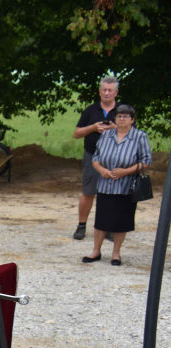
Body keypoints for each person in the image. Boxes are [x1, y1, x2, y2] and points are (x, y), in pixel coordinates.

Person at [83, 104, 151, 266]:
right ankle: (96, 251)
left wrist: (125, 171)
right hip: (105, 184)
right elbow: (96, 157)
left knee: (121, 221)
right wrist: (102, 170)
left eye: (125, 117)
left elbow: (146, 161)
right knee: (101, 220)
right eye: (119, 116)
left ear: (132, 120)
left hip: (126, 186)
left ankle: (116, 254)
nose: (121, 119)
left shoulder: (140, 136)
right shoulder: (106, 135)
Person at [72, 76, 120, 240]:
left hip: (115, 158)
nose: (107, 93)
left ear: (116, 93)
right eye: (104, 90)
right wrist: (93, 128)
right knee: (88, 192)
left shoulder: (122, 111)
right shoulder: (90, 110)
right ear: (99, 92)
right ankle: (81, 226)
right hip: (92, 156)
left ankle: (108, 227)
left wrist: (115, 128)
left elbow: (132, 134)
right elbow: (76, 133)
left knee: (112, 194)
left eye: (110, 90)